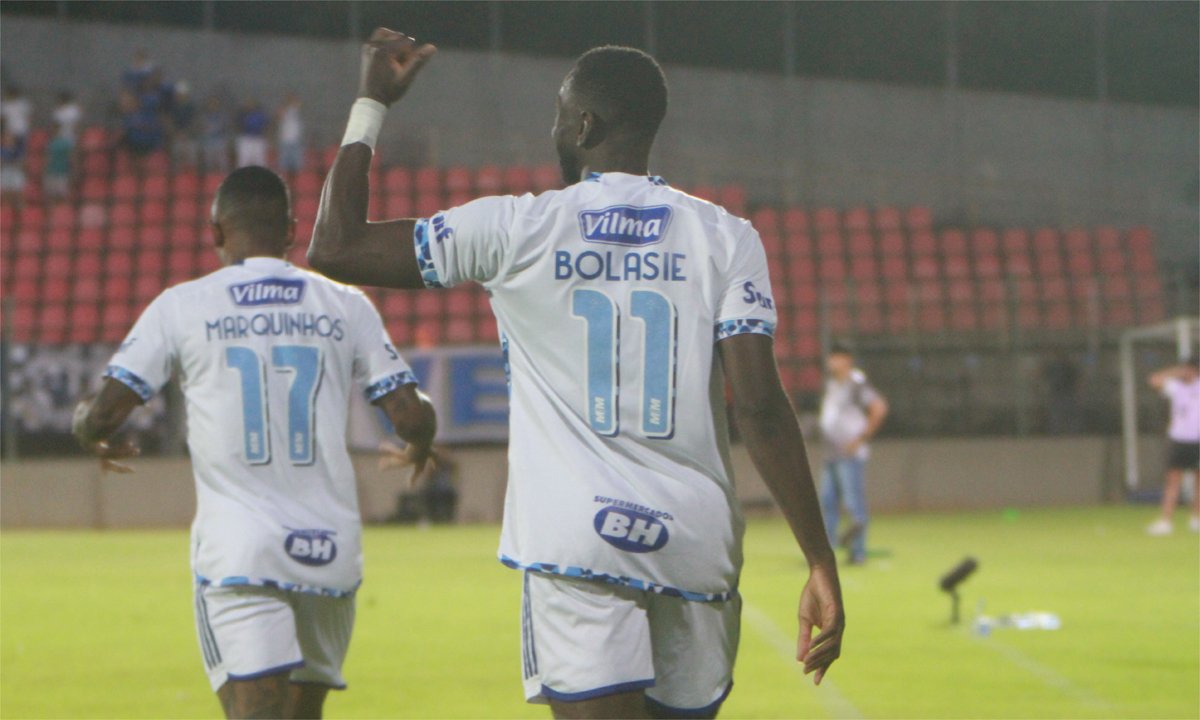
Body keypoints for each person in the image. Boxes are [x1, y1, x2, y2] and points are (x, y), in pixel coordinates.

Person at [308, 30, 845, 718]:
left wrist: (372, 101)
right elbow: (762, 409)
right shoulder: (726, 237)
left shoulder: (518, 227)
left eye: (561, 112)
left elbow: (336, 245)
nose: (555, 126)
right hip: (694, 541)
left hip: (578, 542)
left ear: (585, 124)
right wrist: (819, 560)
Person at [72, 166, 437, 719]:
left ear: (217, 232)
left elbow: (107, 411)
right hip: (329, 550)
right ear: (291, 230)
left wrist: (87, 431)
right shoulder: (346, 304)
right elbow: (409, 414)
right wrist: (420, 443)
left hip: (242, 550)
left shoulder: (182, 306)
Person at [817, 344, 888, 566]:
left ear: (846, 359)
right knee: (827, 500)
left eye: (835, 357)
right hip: (831, 452)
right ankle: (825, 553)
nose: (831, 362)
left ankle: (858, 552)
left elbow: (879, 408)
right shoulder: (832, 384)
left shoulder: (856, 383)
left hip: (849, 453)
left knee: (852, 502)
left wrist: (859, 439)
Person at [1146, 355, 1200, 536]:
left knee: (1198, 481)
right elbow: (1154, 380)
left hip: (1198, 439)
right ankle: (1166, 521)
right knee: (1173, 480)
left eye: (1188, 368)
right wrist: (1175, 371)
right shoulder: (1176, 387)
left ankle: (1196, 519)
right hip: (1179, 439)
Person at [43, 122, 74, 202]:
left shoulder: (66, 143)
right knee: (51, 196)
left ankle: (62, 213)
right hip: (52, 172)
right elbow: (47, 159)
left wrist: (72, 170)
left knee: (62, 196)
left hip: (62, 172)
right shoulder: (50, 143)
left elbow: (71, 158)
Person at [276, 93, 305, 174]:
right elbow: (279, 114)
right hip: (285, 140)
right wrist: (286, 102)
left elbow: (299, 104)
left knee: (298, 165)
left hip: (296, 141)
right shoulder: (284, 110)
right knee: (283, 165)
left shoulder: (297, 111)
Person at [0, 120, 26, 208]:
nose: (8, 139)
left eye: (10, 137)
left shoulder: (17, 150)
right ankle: (7, 210)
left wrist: (12, 162)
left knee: (17, 191)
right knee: (5, 192)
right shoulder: (2, 150)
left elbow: (21, 163)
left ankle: (18, 210)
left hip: (15, 172)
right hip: (5, 172)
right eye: (6, 137)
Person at [236, 101, 270, 168]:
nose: (250, 106)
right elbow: (237, 126)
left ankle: (260, 177)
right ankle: (242, 177)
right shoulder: (242, 114)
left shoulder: (260, 115)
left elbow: (267, 126)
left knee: (259, 161)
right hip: (246, 139)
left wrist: (266, 135)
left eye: (252, 105)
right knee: (244, 161)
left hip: (258, 139)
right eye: (248, 104)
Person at [202, 96, 231, 173]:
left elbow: (227, 128)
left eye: (215, 104)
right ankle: (209, 178)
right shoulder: (205, 116)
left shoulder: (223, 116)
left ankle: (224, 177)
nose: (213, 106)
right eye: (211, 104)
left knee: (223, 162)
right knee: (208, 162)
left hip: (220, 140)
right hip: (208, 141)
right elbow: (202, 129)